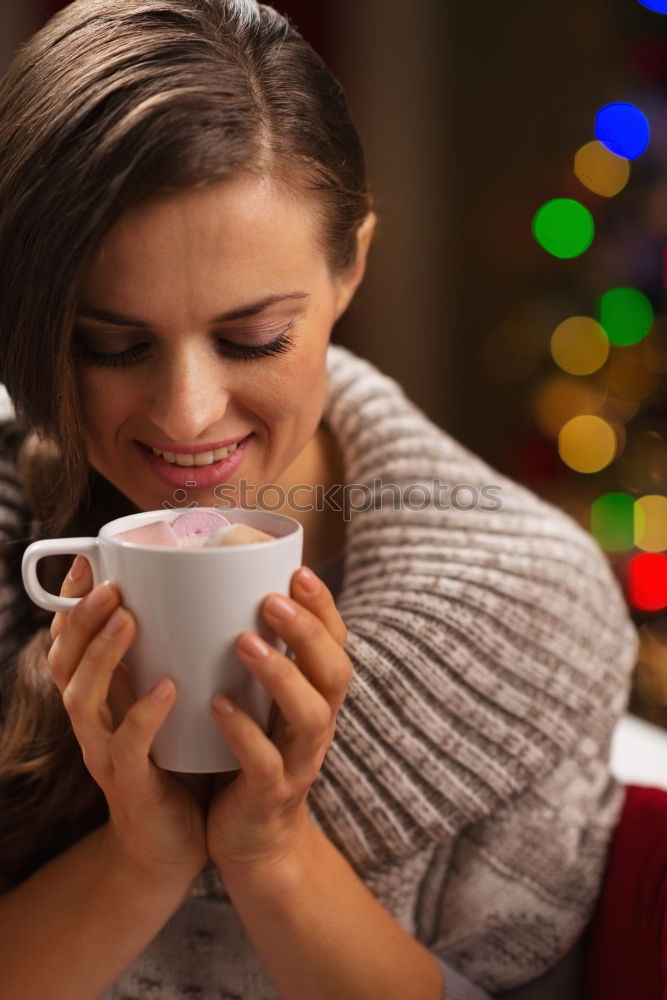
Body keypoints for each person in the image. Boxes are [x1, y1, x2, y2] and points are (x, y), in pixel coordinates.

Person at [0, 2, 639, 998]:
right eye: (111, 344)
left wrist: (275, 855)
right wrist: (138, 862)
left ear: (350, 269)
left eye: (252, 335)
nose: (187, 413)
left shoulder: (528, 617)